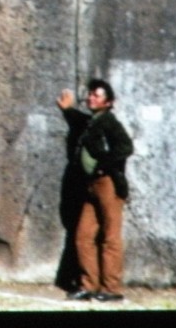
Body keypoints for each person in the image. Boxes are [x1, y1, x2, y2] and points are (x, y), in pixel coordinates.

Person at [56, 78, 134, 301]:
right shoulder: (92, 121)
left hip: (108, 184)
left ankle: (111, 290)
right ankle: (89, 286)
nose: (91, 97)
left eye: (97, 95)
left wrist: (102, 167)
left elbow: (126, 147)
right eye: (90, 94)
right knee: (83, 236)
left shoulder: (109, 122)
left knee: (110, 237)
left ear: (108, 102)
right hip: (90, 187)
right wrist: (67, 109)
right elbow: (79, 120)